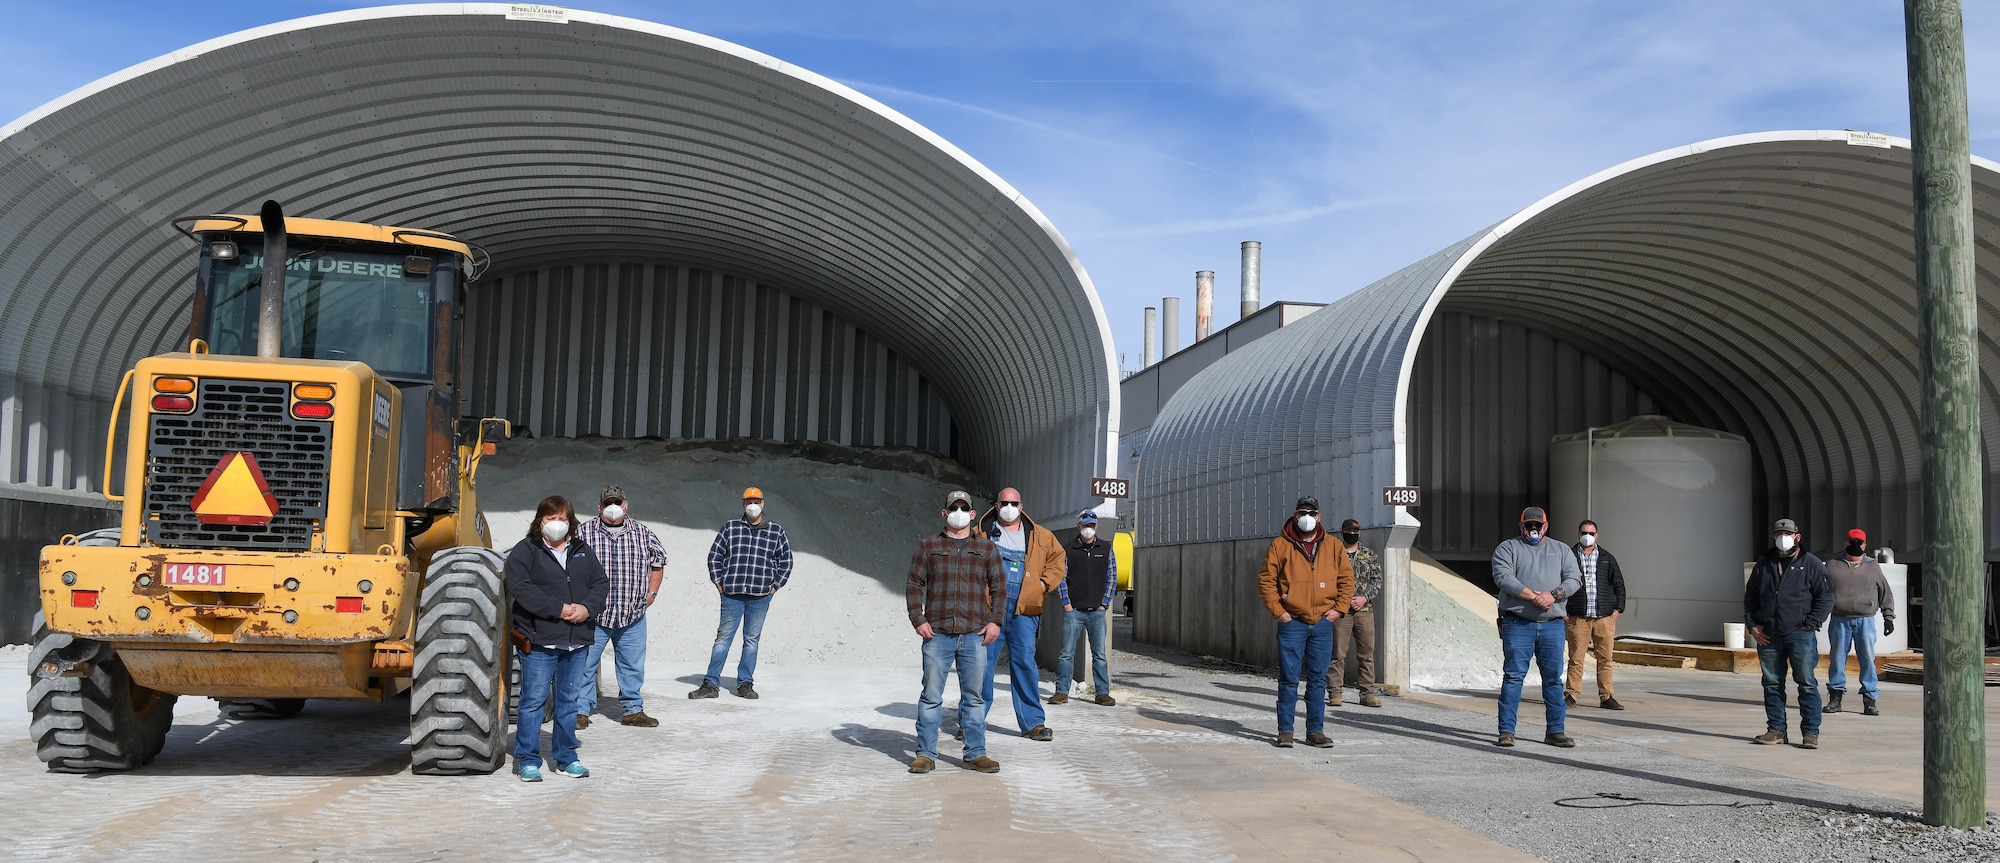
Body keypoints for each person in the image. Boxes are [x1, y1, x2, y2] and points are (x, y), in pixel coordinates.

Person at [504, 495, 610, 782]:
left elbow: (600, 584)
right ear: (540, 521)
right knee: (533, 701)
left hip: (576, 642)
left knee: (568, 701)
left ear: (570, 522)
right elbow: (521, 588)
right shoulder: (526, 551)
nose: (557, 524)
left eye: (562, 519)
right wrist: (559, 609)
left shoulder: (582, 551)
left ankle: (566, 757)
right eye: (551, 519)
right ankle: (527, 759)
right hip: (540, 641)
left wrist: (587, 608)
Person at [905, 490, 1006, 774]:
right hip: (937, 634)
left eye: (964, 508)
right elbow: (914, 584)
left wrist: (996, 621)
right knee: (930, 697)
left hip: (975, 634)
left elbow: (999, 587)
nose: (958, 512)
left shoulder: (987, 549)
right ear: (944, 513)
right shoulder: (929, 546)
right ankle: (925, 754)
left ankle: (975, 753)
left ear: (973, 515)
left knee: (973, 698)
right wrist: (918, 619)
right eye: (954, 508)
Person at [1257, 496, 1351, 749]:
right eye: (1302, 512)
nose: (1306, 517)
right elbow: (1267, 581)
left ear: (1319, 517)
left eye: (1311, 512)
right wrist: (1279, 612)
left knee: (1318, 680)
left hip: (1322, 622)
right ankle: (1285, 731)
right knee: (1289, 679)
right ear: (1295, 515)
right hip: (1292, 622)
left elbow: (1346, 580)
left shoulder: (1333, 546)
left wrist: (1338, 610)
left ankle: (1315, 731)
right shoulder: (1280, 545)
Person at [572, 485, 667, 728]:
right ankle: (580, 711)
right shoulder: (583, 533)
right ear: (599, 507)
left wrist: (651, 594)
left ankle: (633, 710)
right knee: (584, 664)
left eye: (617, 503)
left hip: (632, 614)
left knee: (632, 666)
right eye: (607, 504)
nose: (612, 508)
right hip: (595, 616)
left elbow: (658, 563)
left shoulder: (643, 533)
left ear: (626, 505)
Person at [977, 488, 1065, 741]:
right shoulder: (980, 534)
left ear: (1021, 506)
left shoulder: (1041, 536)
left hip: (1025, 611)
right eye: (1004, 502)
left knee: (1025, 664)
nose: (1009, 507)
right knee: (982, 666)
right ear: (995, 505)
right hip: (989, 610)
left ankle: (1033, 723)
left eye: (1014, 503)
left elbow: (1058, 560)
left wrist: (1042, 584)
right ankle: (972, 719)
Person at [691, 487, 794, 700]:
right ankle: (710, 684)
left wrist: (774, 587)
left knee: (751, 641)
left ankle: (745, 684)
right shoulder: (730, 528)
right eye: (749, 502)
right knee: (723, 639)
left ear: (763, 504)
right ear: (743, 504)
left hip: (760, 596)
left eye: (756, 501)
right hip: (731, 594)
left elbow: (786, 561)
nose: (753, 505)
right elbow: (714, 556)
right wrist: (719, 583)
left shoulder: (776, 531)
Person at [1492, 506, 1582, 749]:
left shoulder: (1561, 550)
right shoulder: (1508, 548)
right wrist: (1534, 597)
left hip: (1552, 625)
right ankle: (1507, 731)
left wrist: (1553, 596)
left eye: (1537, 525)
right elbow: (1503, 577)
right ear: (1521, 526)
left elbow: (1574, 579)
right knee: (1513, 677)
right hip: (1518, 623)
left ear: (1546, 526)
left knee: (1553, 680)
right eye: (1528, 525)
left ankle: (1555, 731)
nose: (1533, 529)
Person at [1743, 518, 1833, 748]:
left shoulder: (1811, 563)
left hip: (1799, 634)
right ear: (1774, 537)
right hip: (1768, 635)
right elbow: (1750, 597)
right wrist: (1752, 625)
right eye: (1779, 533)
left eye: (1787, 533)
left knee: (1806, 683)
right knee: (1772, 684)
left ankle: (1810, 733)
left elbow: (1825, 597)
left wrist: (1811, 623)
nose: (1783, 537)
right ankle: (1776, 730)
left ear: (1797, 536)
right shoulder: (1764, 564)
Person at [1825, 528, 1894, 716]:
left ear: (1865, 545)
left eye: (1859, 543)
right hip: (1839, 619)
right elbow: (1820, 590)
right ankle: (1835, 697)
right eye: (1852, 542)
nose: (1855, 545)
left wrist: (1888, 616)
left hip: (1865, 620)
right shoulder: (1832, 564)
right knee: (1837, 660)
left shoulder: (1873, 566)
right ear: (1845, 543)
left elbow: (1885, 592)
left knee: (1867, 661)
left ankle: (1869, 700)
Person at [1053, 509, 1117, 707]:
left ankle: (1102, 693)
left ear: (1096, 527)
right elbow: (1061, 578)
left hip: (1097, 612)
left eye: (1091, 525)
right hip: (1074, 611)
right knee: (1066, 653)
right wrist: (1067, 604)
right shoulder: (1068, 549)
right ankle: (1061, 691)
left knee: (1100, 655)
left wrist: (1103, 604)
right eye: (1085, 525)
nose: (1088, 529)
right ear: (1078, 526)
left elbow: (1112, 578)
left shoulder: (1106, 549)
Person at [1563, 519, 1626, 711]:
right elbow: (1559, 582)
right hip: (1578, 617)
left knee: (1605, 658)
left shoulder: (1607, 558)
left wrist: (1617, 610)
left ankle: (1606, 696)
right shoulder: (1569, 556)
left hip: (1604, 617)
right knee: (1576, 658)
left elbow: (1619, 585)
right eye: (1584, 532)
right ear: (1578, 534)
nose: (1587, 536)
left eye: (1591, 533)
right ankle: (1571, 695)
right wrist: (1563, 611)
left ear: (1597, 535)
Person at [1328, 518, 1382, 708]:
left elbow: (1377, 580)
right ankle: (1335, 693)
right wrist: (1341, 600)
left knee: (1366, 654)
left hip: (1364, 611)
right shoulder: (1333, 554)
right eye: (1349, 531)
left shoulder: (1369, 555)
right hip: (1341, 612)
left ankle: (1367, 693)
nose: (1353, 533)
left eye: (1356, 531)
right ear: (1342, 533)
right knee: (1337, 654)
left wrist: (1364, 597)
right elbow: (1326, 580)